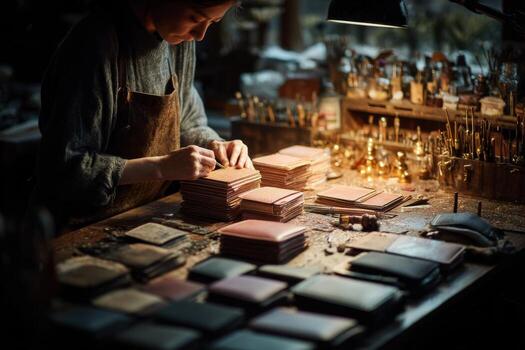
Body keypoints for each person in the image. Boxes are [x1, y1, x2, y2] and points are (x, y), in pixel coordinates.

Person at [33, 0, 251, 231]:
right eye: (195, 18)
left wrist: (215, 145)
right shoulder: (95, 45)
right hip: (78, 226)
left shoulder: (179, 41)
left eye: (213, 22)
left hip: (144, 216)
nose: (200, 35)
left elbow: (188, 122)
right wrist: (161, 167)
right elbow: (64, 169)